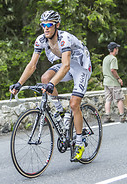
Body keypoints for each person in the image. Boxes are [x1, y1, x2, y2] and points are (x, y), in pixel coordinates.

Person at [9, 10, 92, 161]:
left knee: (74, 104)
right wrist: (19, 83)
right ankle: (60, 112)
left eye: (49, 25)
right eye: (43, 25)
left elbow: (66, 66)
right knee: (45, 78)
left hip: (81, 66)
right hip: (67, 65)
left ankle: (79, 143)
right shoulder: (41, 40)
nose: (46, 28)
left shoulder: (64, 38)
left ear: (57, 25)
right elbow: (32, 65)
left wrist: (53, 84)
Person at [102, 42, 127, 123]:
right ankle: (122, 116)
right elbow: (113, 70)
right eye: (117, 48)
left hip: (106, 82)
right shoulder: (113, 58)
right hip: (113, 82)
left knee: (108, 99)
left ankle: (107, 116)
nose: (118, 50)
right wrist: (119, 78)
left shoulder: (105, 58)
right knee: (119, 99)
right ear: (115, 49)